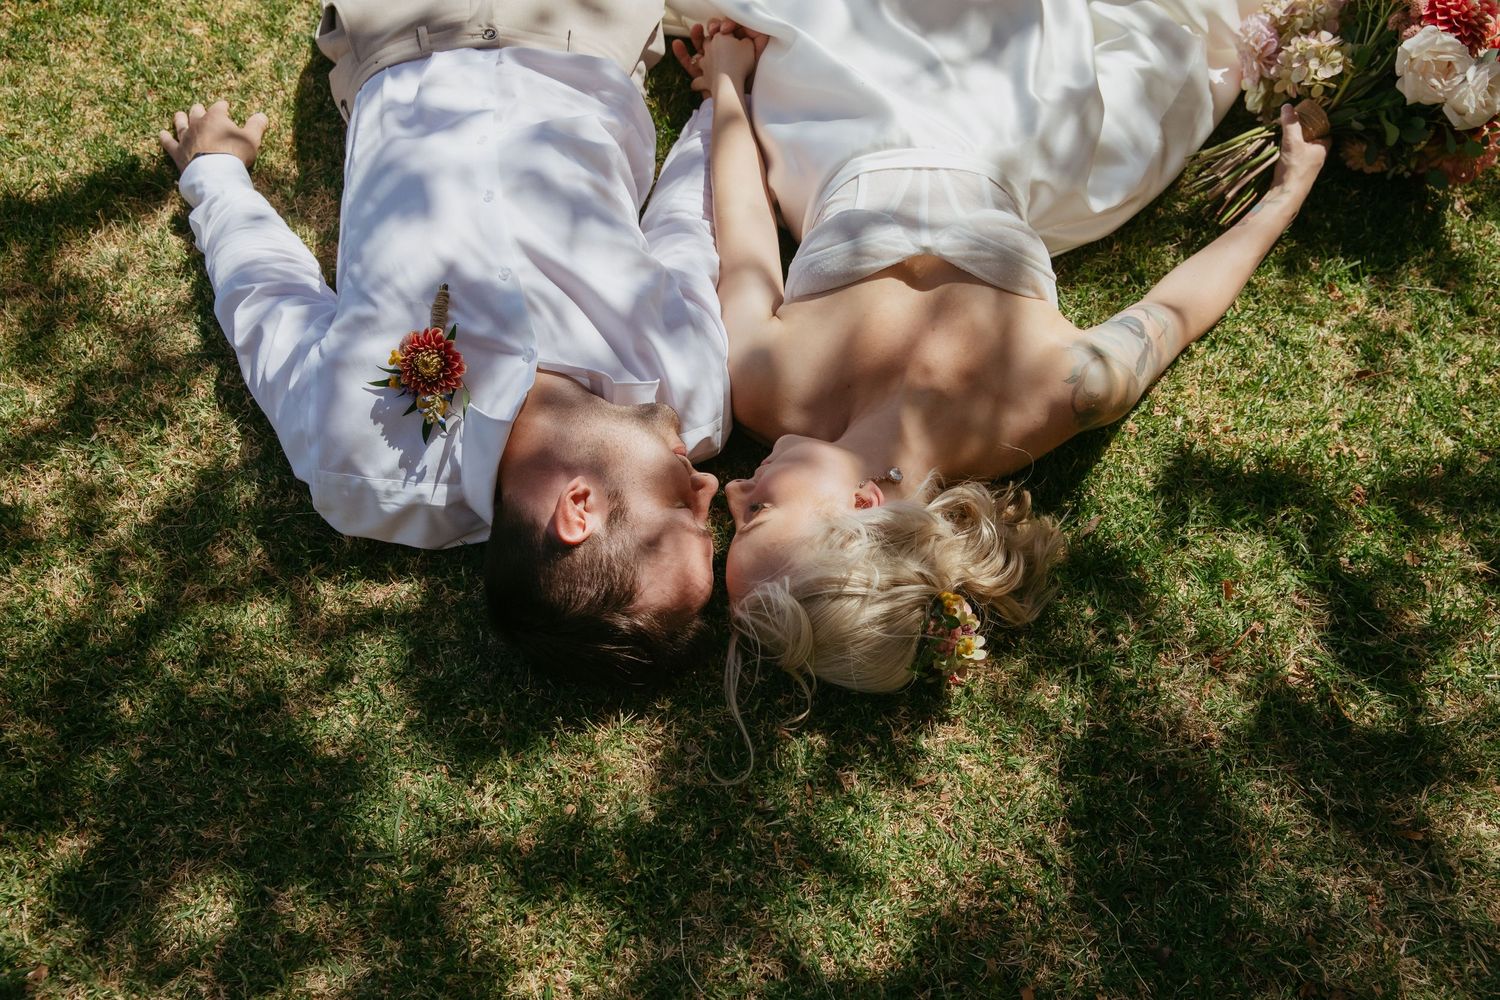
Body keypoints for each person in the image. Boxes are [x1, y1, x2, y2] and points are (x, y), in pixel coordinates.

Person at [672, 0, 1327, 696]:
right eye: (758, 515)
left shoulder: (765, 387)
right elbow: (1173, 311)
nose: (734, 491)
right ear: (863, 504)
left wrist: (729, 89)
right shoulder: (1053, 397)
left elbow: (743, 229)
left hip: (832, 112)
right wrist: (1289, 192)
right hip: (1019, 124)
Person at [158, 0, 732, 684]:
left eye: (681, 511)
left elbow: (268, 307)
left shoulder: (361, 464)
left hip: (404, 31)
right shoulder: (693, 392)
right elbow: (686, 233)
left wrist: (215, 176)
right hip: (585, 28)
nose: (709, 486)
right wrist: (720, 104)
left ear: (579, 507)